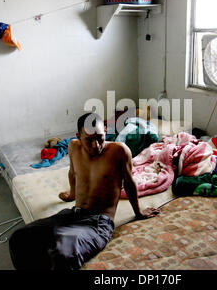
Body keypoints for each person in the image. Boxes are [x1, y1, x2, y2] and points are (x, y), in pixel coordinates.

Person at [9, 112, 160, 270]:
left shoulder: (119, 151)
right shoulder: (73, 147)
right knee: (18, 238)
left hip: (98, 223)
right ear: (78, 137)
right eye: (88, 140)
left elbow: (129, 183)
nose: (96, 145)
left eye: (99, 137)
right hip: (73, 214)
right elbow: (73, 173)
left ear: (105, 131)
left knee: (62, 252)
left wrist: (139, 212)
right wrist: (71, 195)